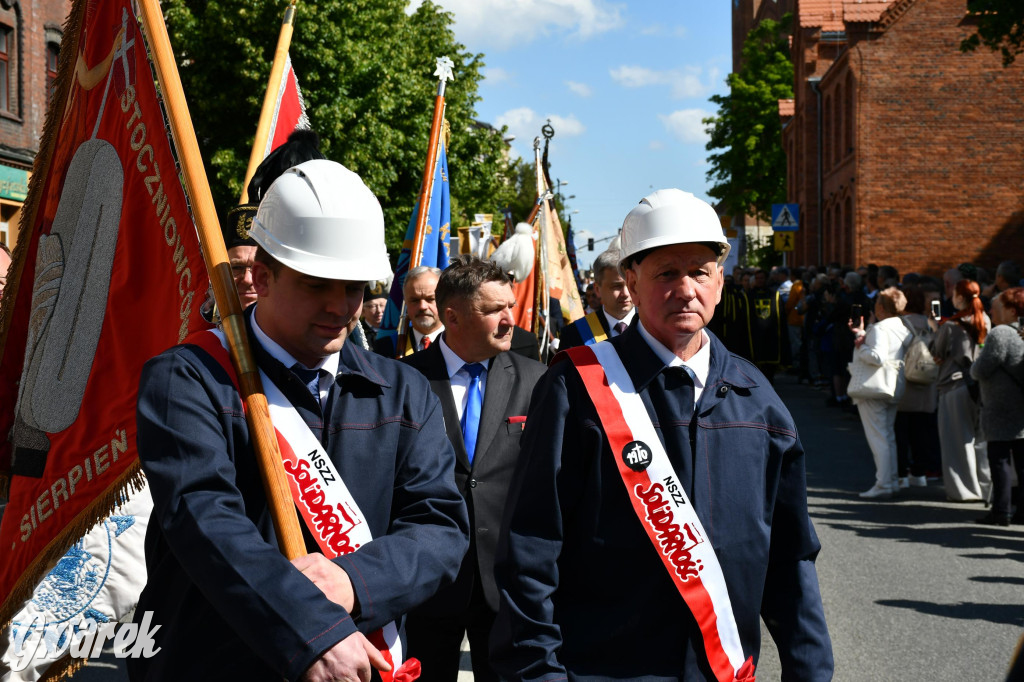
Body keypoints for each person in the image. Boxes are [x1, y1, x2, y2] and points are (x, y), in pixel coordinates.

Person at [131, 160, 470, 681]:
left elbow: (440, 528)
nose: (340, 306)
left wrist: (351, 581)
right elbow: (203, 518)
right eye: (317, 285)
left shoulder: (404, 390)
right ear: (262, 277)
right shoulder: (186, 378)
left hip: (363, 662)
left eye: (354, 286)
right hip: (214, 663)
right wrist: (313, 630)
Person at [491, 189, 833, 680]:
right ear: (631, 280)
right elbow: (530, 549)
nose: (686, 289)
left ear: (720, 278)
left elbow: (790, 558)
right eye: (666, 273)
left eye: (699, 271)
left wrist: (809, 670)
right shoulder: (574, 390)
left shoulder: (758, 400)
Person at [403, 256, 546, 682]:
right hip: (426, 580)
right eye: (494, 310)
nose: (509, 320)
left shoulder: (538, 381)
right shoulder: (405, 381)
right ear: (453, 316)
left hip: (507, 582)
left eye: (510, 307)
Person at [930, 279, 991, 503]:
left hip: (954, 385)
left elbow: (936, 352)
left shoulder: (951, 326)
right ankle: (985, 488)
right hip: (979, 385)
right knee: (979, 441)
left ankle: (964, 490)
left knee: (956, 441)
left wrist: (935, 329)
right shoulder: (985, 319)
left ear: (960, 298)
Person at [848, 287, 913, 498]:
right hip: (894, 384)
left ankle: (884, 484)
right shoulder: (902, 326)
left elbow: (876, 356)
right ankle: (891, 481)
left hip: (874, 388)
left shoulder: (880, 328)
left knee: (878, 438)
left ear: (881, 307)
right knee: (888, 436)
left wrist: (861, 343)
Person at [970, 287, 1024, 525]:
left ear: (1011, 310)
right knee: (1021, 463)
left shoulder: (1001, 332)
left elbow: (981, 368)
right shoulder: (1020, 332)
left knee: (999, 460)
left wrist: (973, 366)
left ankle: (1001, 510)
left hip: (1001, 408)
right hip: (1019, 408)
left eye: (997, 306)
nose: (991, 310)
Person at [894, 288, 941, 488]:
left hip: (905, 382)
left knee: (901, 432)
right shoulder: (933, 325)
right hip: (927, 383)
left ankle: (902, 473)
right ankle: (920, 473)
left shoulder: (900, 323)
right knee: (923, 432)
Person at [558, 248, 635, 350]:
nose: (626, 293)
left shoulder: (655, 325)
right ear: (597, 289)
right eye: (616, 286)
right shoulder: (574, 334)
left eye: (630, 284)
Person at [373, 266, 444, 357]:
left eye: (430, 299)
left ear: (444, 300)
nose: (422, 306)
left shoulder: (461, 344)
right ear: (406, 303)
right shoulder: (385, 348)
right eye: (414, 300)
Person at [361, 278, 390, 347]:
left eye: (382, 305)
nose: (379, 310)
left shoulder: (396, 330)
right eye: (373, 306)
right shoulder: (358, 333)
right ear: (362, 311)